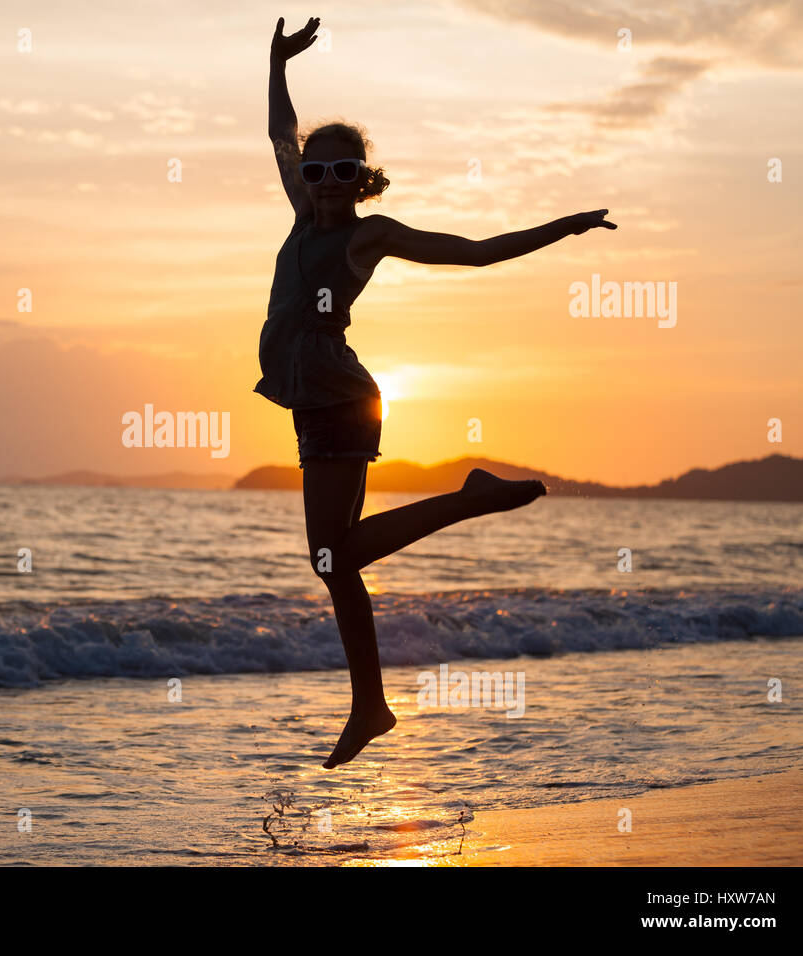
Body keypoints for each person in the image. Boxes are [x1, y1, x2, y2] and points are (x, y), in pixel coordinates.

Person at [260, 17, 617, 768]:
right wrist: (276, 62)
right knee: (335, 561)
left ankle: (469, 502)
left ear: (362, 179)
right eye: (315, 174)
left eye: (340, 172)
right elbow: (280, 135)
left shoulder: (369, 234)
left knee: (331, 557)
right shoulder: (299, 214)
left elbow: (479, 253)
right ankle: (371, 706)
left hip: (336, 395)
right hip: (310, 399)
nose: (323, 184)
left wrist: (566, 228)